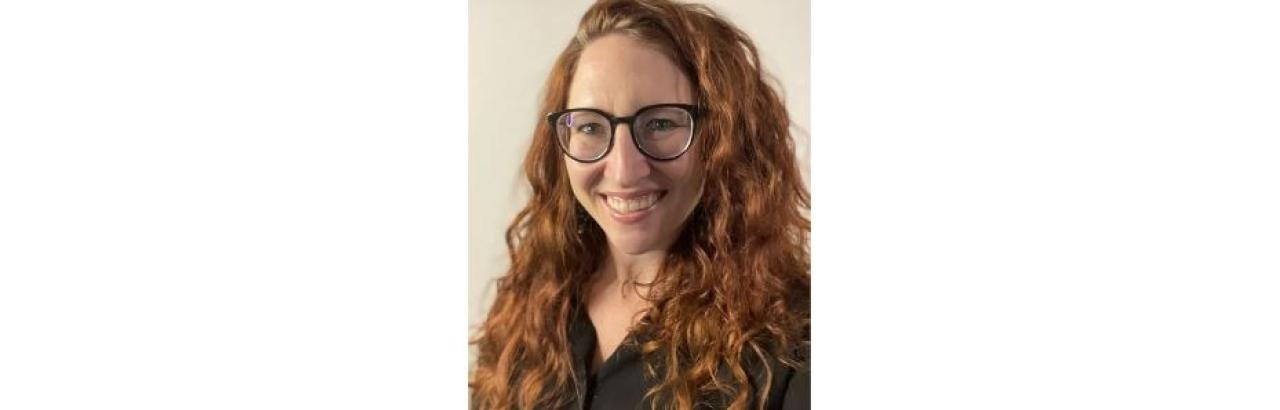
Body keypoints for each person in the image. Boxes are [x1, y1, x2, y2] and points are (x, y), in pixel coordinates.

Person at [470, 0, 810, 408]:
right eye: (591, 126)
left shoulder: (794, 346)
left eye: (662, 123)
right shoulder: (536, 298)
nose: (624, 170)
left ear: (725, 138)